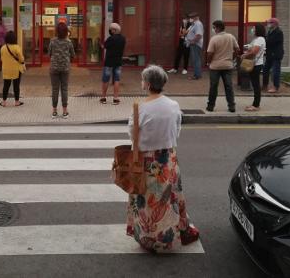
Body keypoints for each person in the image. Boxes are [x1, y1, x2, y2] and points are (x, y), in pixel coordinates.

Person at [126, 65, 200, 252]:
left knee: (148, 200)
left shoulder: (140, 109)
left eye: (143, 80)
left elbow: (132, 134)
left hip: (147, 160)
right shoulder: (174, 105)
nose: (142, 82)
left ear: (148, 84)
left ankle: (149, 236)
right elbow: (177, 130)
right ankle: (177, 230)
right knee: (171, 197)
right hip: (168, 158)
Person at [206, 20, 240, 113]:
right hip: (228, 66)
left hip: (215, 66)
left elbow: (210, 53)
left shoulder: (214, 39)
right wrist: (231, 58)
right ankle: (231, 106)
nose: (213, 29)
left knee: (213, 87)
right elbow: (237, 49)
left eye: (213, 27)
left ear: (217, 28)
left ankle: (210, 106)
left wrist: (208, 62)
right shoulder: (231, 37)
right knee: (229, 87)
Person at [48, 22, 75, 118]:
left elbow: (49, 54)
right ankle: (65, 111)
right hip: (65, 68)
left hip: (54, 68)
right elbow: (73, 55)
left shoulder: (52, 41)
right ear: (66, 32)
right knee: (64, 89)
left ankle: (54, 112)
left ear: (57, 31)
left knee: (55, 89)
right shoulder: (68, 42)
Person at [242, 23, 267, 112]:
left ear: (258, 30)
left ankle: (256, 105)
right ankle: (255, 104)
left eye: (254, 28)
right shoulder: (257, 39)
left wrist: (245, 55)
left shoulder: (260, 39)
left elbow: (254, 52)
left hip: (255, 64)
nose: (252, 29)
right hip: (254, 63)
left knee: (256, 85)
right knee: (254, 84)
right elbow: (251, 49)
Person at [100, 23, 126, 105]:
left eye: (111, 29)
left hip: (109, 62)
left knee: (105, 80)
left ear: (114, 30)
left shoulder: (110, 39)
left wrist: (100, 44)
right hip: (118, 62)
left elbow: (104, 46)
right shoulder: (123, 39)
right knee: (116, 80)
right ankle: (115, 98)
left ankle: (103, 98)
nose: (110, 31)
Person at [0, 30, 25, 107]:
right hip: (16, 70)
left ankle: (4, 102)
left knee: (6, 85)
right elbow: (21, 59)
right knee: (16, 85)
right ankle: (17, 101)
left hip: (6, 69)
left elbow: (2, 59)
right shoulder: (17, 47)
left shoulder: (3, 48)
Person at [262, 17, 284, 93]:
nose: (268, 24)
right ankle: (265, 85)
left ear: (274, 24)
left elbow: (271, 41)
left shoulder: (278, 32)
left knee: (275, 71)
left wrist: (263, 38)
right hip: (269, 54)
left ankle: (275, 86)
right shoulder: (270, 31)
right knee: (265, 70)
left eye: (270, 23)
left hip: (276, 55)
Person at [185, 13, 204, 79]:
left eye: (191, 17)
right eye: (190, 17)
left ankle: (197, 75)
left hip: (195, 44)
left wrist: (193, 42)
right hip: (194, 44)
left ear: (196, 17)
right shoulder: (194, 24)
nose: (190, 19)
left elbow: (199, 35)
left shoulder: (197, 24)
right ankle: (197, 74)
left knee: (196, 60)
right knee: (195, 59)